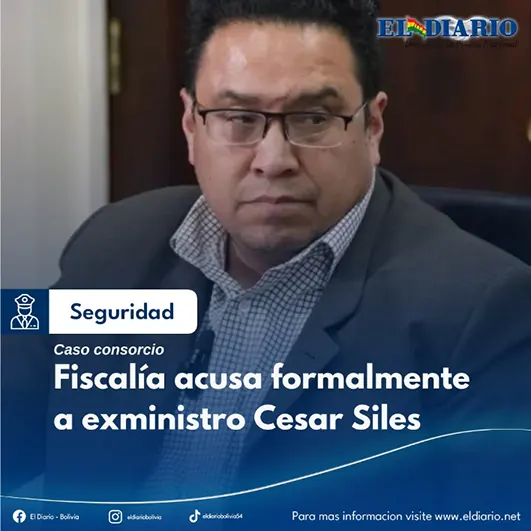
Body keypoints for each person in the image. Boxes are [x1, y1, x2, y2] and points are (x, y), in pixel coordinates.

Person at [2, 0, 530, 523]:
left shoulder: (482, 312)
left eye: (314, 118)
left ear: (373, 126)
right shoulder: (113, 246)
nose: (273, 161)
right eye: (238, 118)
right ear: (190, 126)